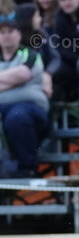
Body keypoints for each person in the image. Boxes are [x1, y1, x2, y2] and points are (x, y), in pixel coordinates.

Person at [0, 12, 50, 177]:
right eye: (2, 32)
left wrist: (13, 79)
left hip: (30, 107)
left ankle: (27, 167)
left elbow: (22, 74)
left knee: (17, 117)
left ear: (19, 34)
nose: (6, 36)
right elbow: (16, 77)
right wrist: (12, 81)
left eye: (10, 31)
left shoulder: (30, 54)